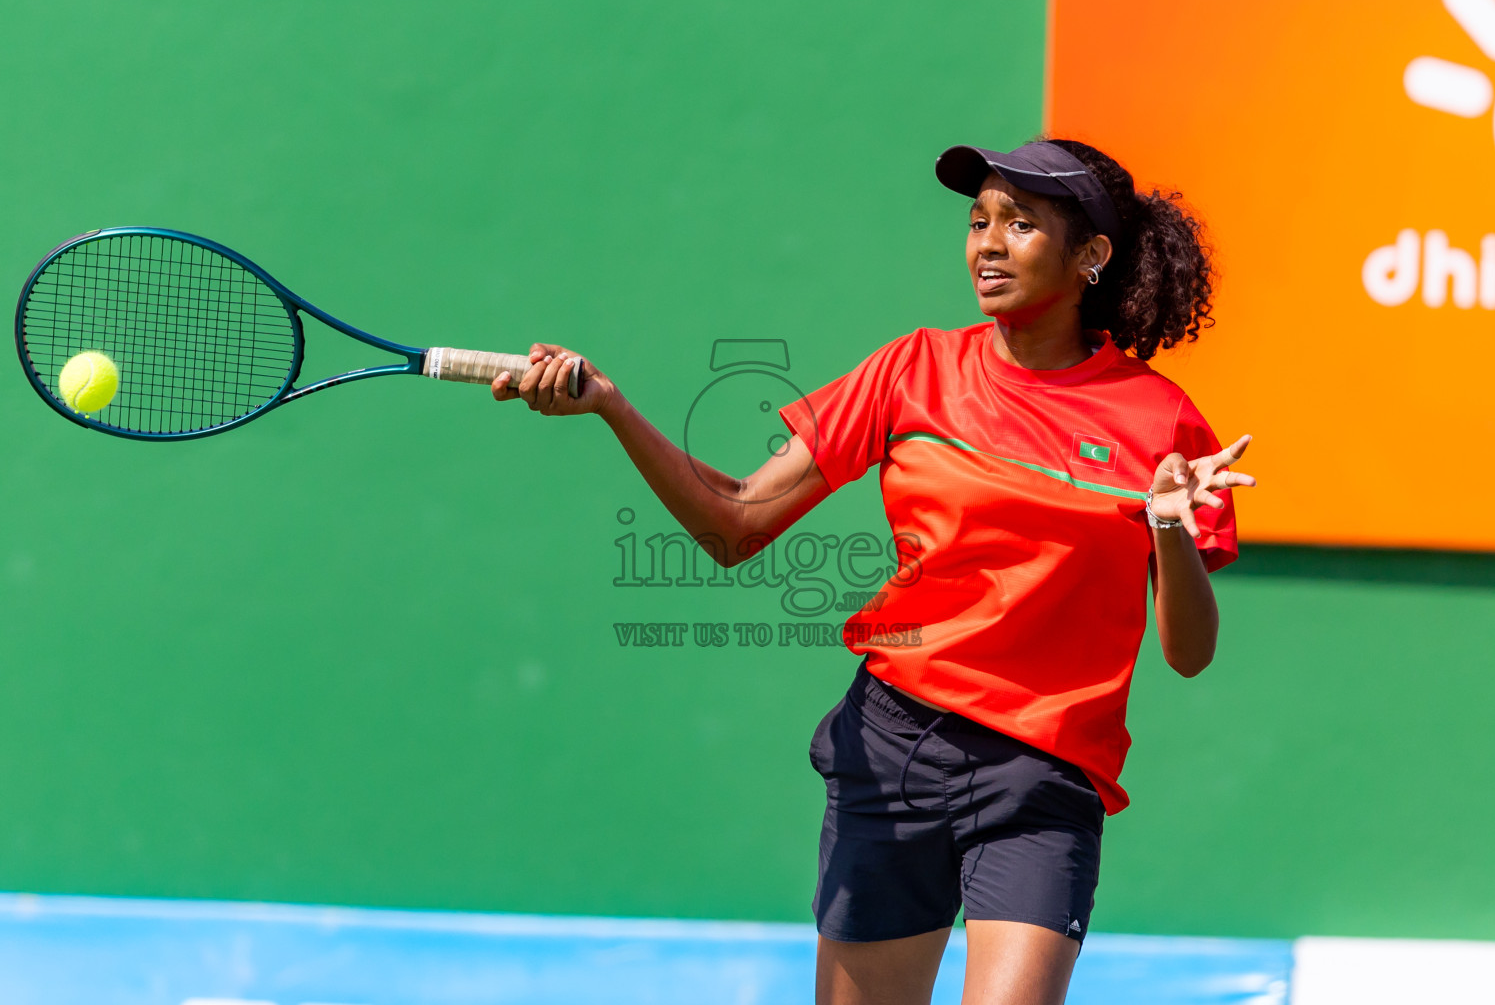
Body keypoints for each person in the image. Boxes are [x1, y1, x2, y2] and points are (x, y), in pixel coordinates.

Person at [490, 136, 1256, 1005]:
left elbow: (1189, 652)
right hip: (894, 749)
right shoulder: (915, 369)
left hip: (1041, 777)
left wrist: (1166, 523)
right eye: (978, 222)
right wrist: (611, 408)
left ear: (1091, 256)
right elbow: (737, 521)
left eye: (1020, 224)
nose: (988, 244)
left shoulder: (1161, 424)